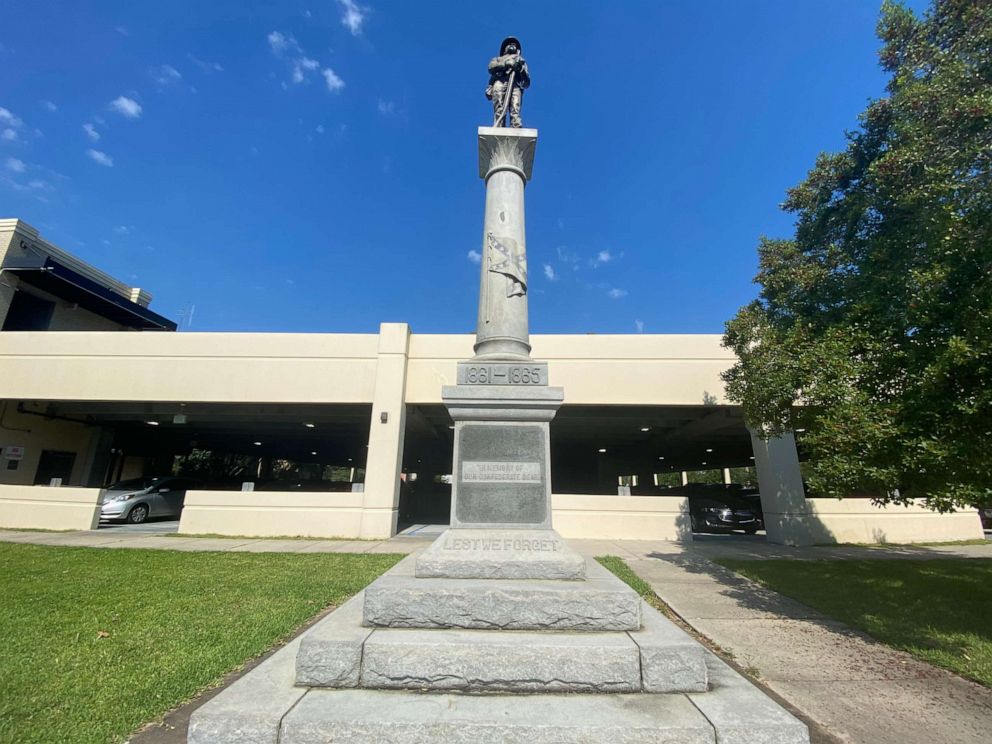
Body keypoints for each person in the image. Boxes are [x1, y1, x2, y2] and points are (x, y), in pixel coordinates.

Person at [485, 36, 530, 128]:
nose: (511, 45)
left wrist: (520, 69)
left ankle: (516, 124)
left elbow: (526, 83)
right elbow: (491, 67)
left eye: (514, 44)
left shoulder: (521, 61)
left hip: (515, 84)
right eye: (509, 44)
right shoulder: (497, 59)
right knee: (499, 106)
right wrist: (505, 64)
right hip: (500, 82)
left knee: (515, 106)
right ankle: (499, 124)